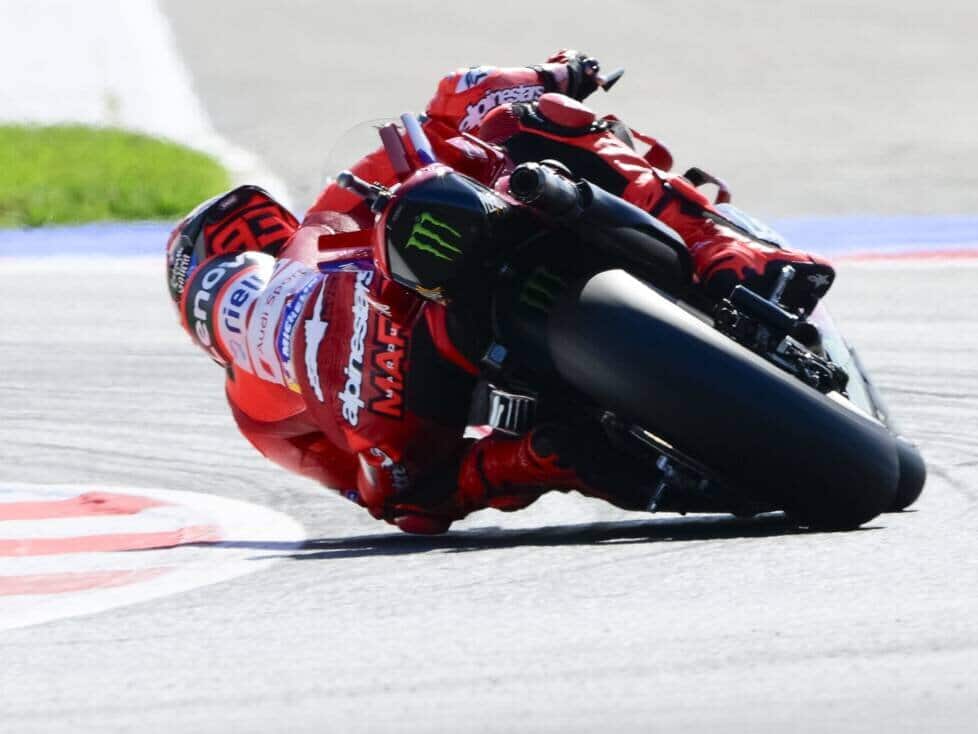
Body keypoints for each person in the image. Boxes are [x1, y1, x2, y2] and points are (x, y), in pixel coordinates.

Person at [166, 51, 836, 534]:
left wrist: (498, 464)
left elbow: (379, 496)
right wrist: (560, 73)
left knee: (419, 494)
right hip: (418, 348)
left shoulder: (257, 409)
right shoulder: (325, 221)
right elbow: (462, 96)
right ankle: (727, 254)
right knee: (526, 114)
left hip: (411, 383)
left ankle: (543, 458)